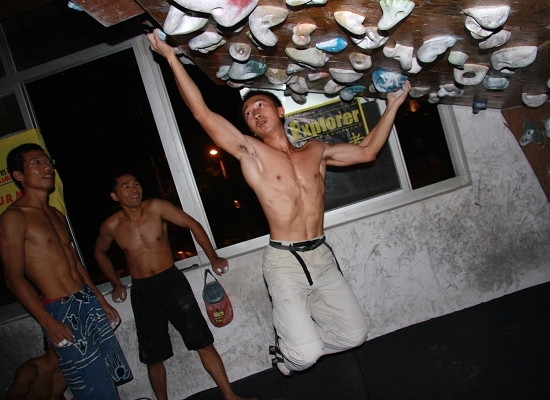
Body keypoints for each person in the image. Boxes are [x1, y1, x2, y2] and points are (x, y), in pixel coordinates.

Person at [147, 28, 412, 376]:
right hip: (284, 261)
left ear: (280, 110)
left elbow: (367, 151)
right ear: (250, 128)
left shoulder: (316, 151)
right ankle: (288, 352)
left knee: (354, 335)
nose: (255, 113)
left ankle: (298, 344)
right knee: (305, 356)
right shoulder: (251, 153)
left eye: (261, 105)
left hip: (321, 255)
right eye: (248, 113)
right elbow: (203, 115)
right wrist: (170, 58)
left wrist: (392, 106)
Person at [94, 173, 252, 400]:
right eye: (126, 186)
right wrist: (115, 283)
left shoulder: (156, 208)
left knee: (203, 342)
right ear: (114, 196)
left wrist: (213, 257)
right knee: (153, 357)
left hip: (172, 282)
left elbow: (192, 224)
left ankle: (230, 396)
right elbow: (99, 252)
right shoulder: (111, 226)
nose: (134, 189)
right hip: (143, 291)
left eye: (136, 183)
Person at [0, 143, 132, 400]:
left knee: (110, 374)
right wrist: (47, 321)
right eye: (36, 163)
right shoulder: (13, 217)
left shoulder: (56, 214)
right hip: (59, 308)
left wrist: (100, 300)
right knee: (92, 387)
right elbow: (13, 277)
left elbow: (75, 264)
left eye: (48, 161)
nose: (46, 167)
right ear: (18, 175)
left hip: (86, 300)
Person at [5, 341, 70, 400]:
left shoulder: (67, 372)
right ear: (51, 342)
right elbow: (11, 398)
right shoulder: (30, 370)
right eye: (68, 342)